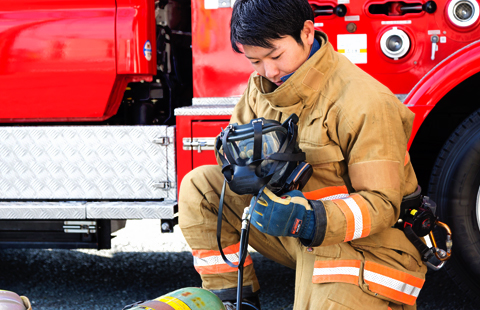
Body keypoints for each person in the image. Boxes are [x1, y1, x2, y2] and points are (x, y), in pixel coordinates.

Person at [178, 0, 427, 309]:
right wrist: (239, 166)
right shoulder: (263, 87)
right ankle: (233, 300)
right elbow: (233, 150)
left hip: (368, 245)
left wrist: (309, 220)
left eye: (276, 55)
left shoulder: (365, 102)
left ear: (307, 32)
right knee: (201, 186)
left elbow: (382, 205)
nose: (269, 71)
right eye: (255, 61)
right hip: (296, 231)